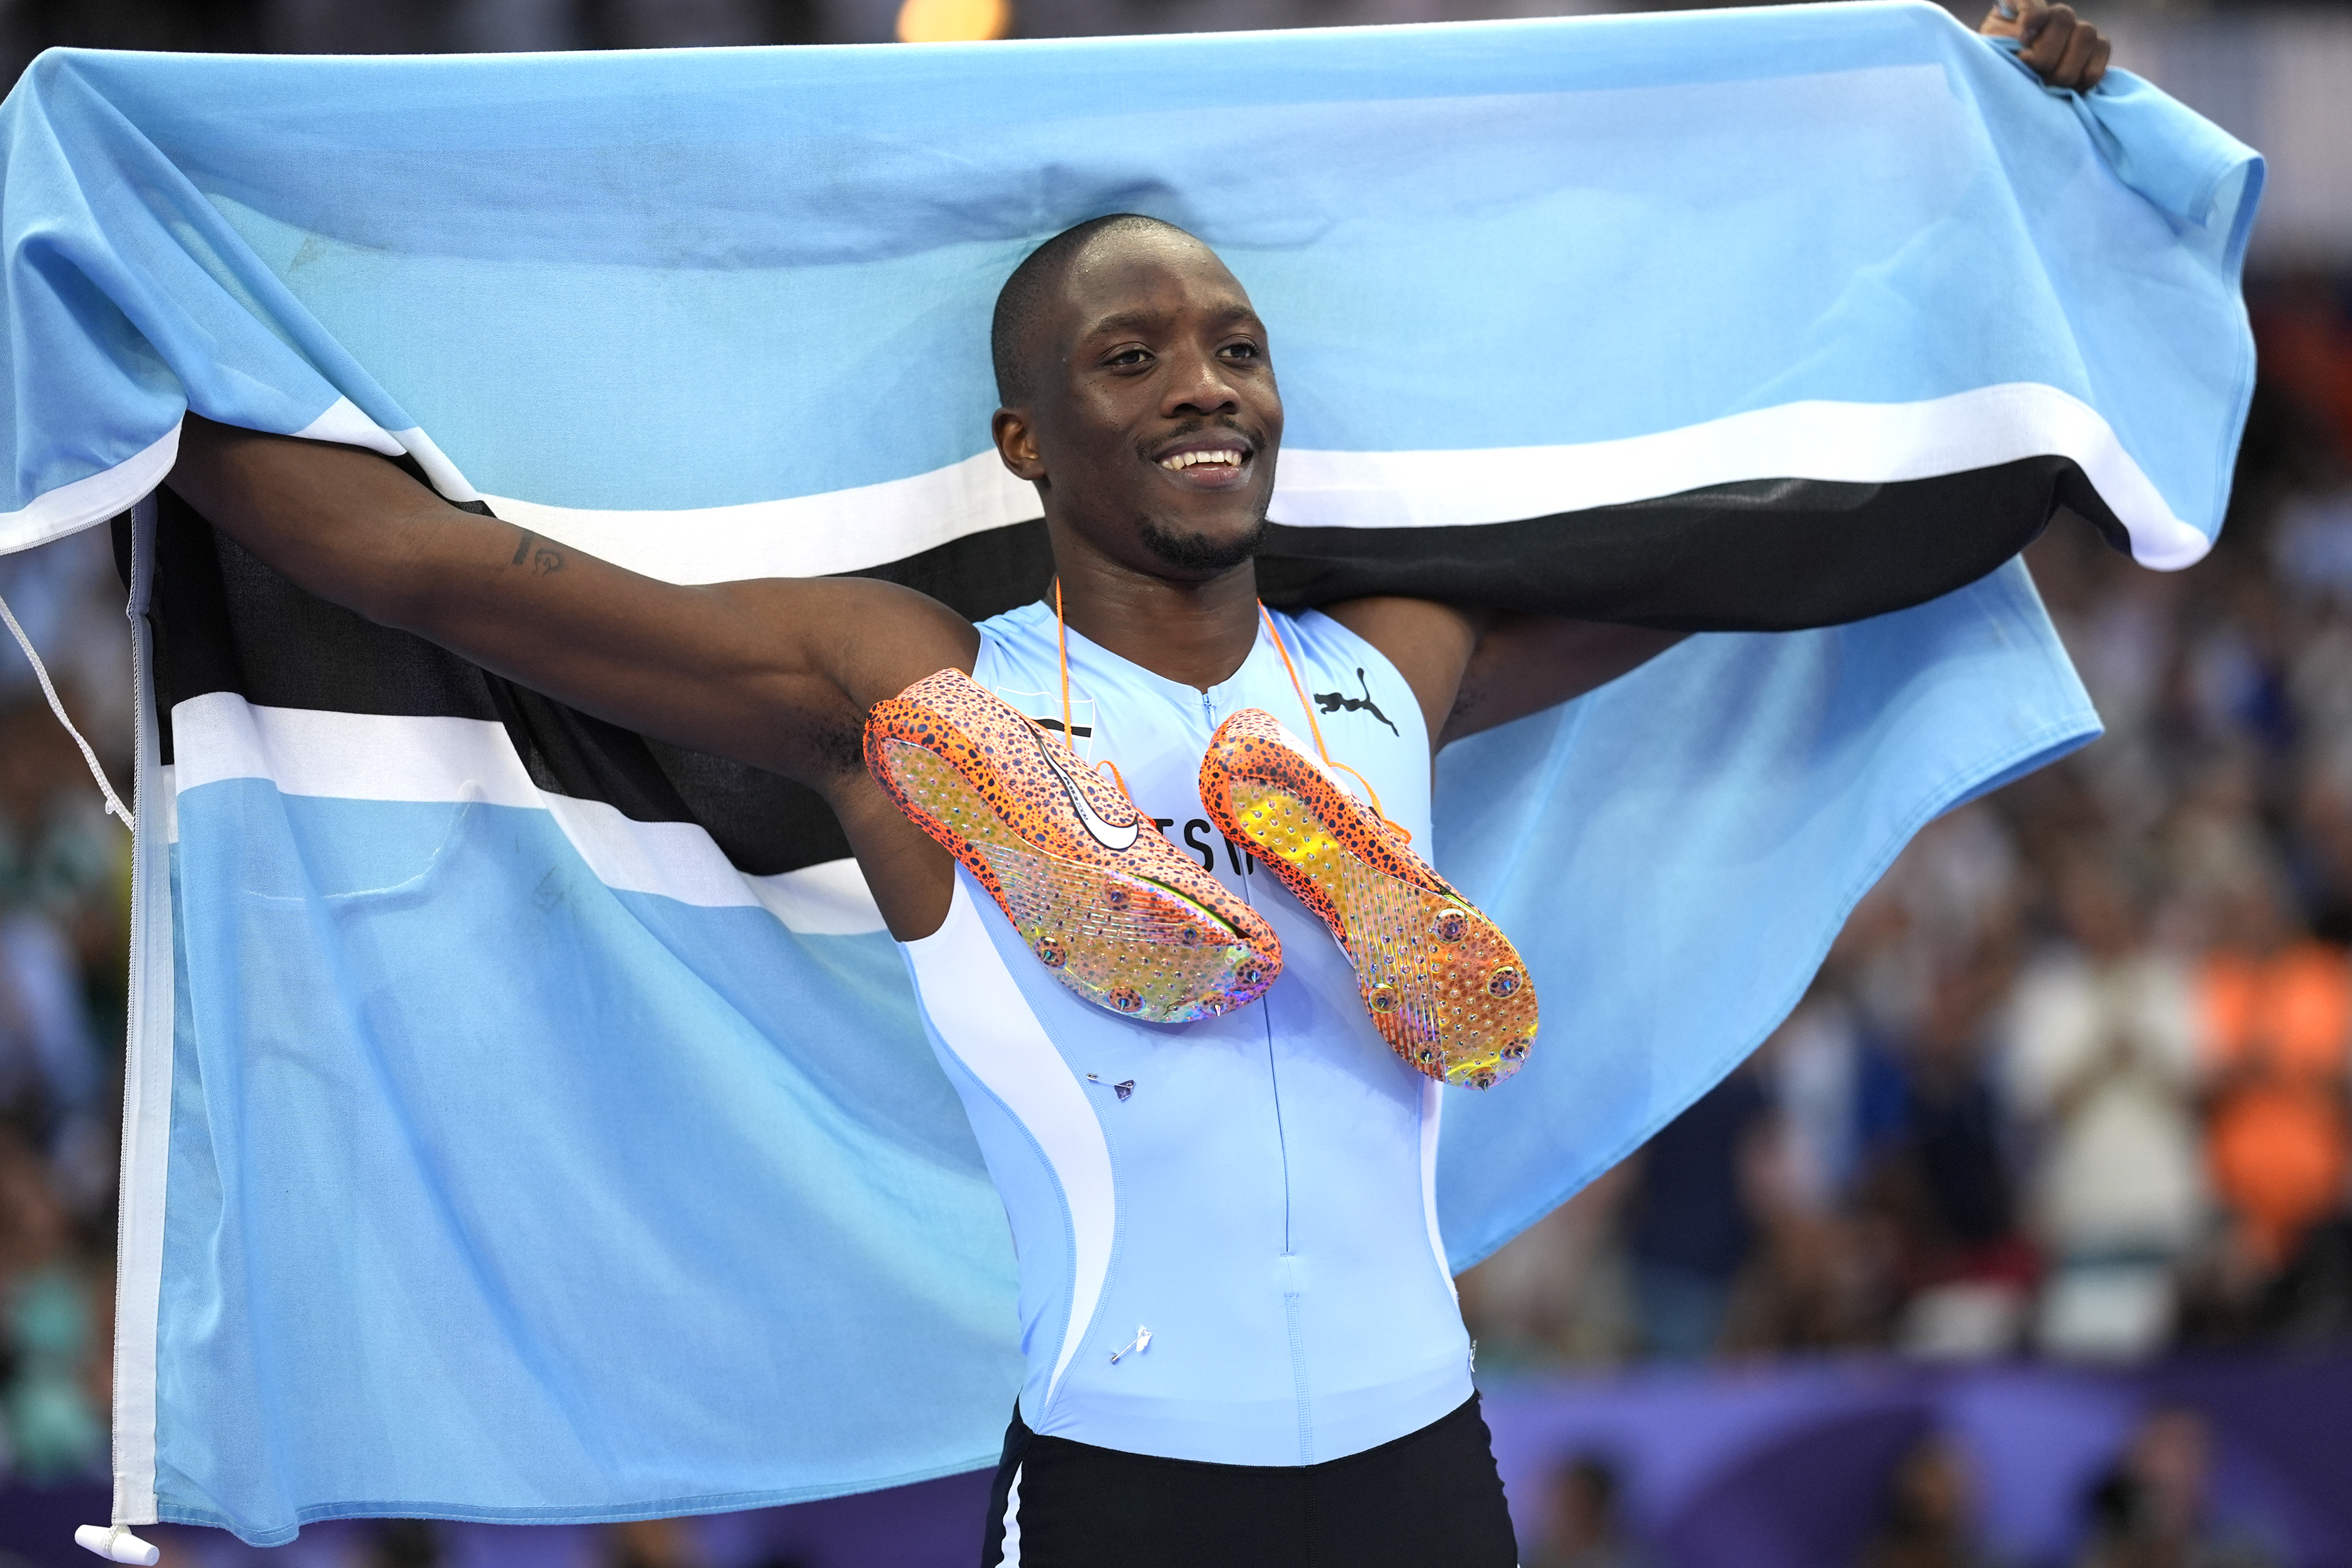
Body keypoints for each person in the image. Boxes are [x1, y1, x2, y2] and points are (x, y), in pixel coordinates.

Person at [155, 5, 2112, 1560]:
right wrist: (130, 326)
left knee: (1566, 629)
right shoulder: (907, 683)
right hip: (1124, 1480)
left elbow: (1766, 528)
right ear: (1022, 439)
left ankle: (1319, 889)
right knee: (962, 761)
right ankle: (1069, 841)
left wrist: (2000, 183)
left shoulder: (1393, 664)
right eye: (1133, 356)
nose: (1204, 384)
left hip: (1421, 1464)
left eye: (1239, 349)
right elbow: (449, 574)